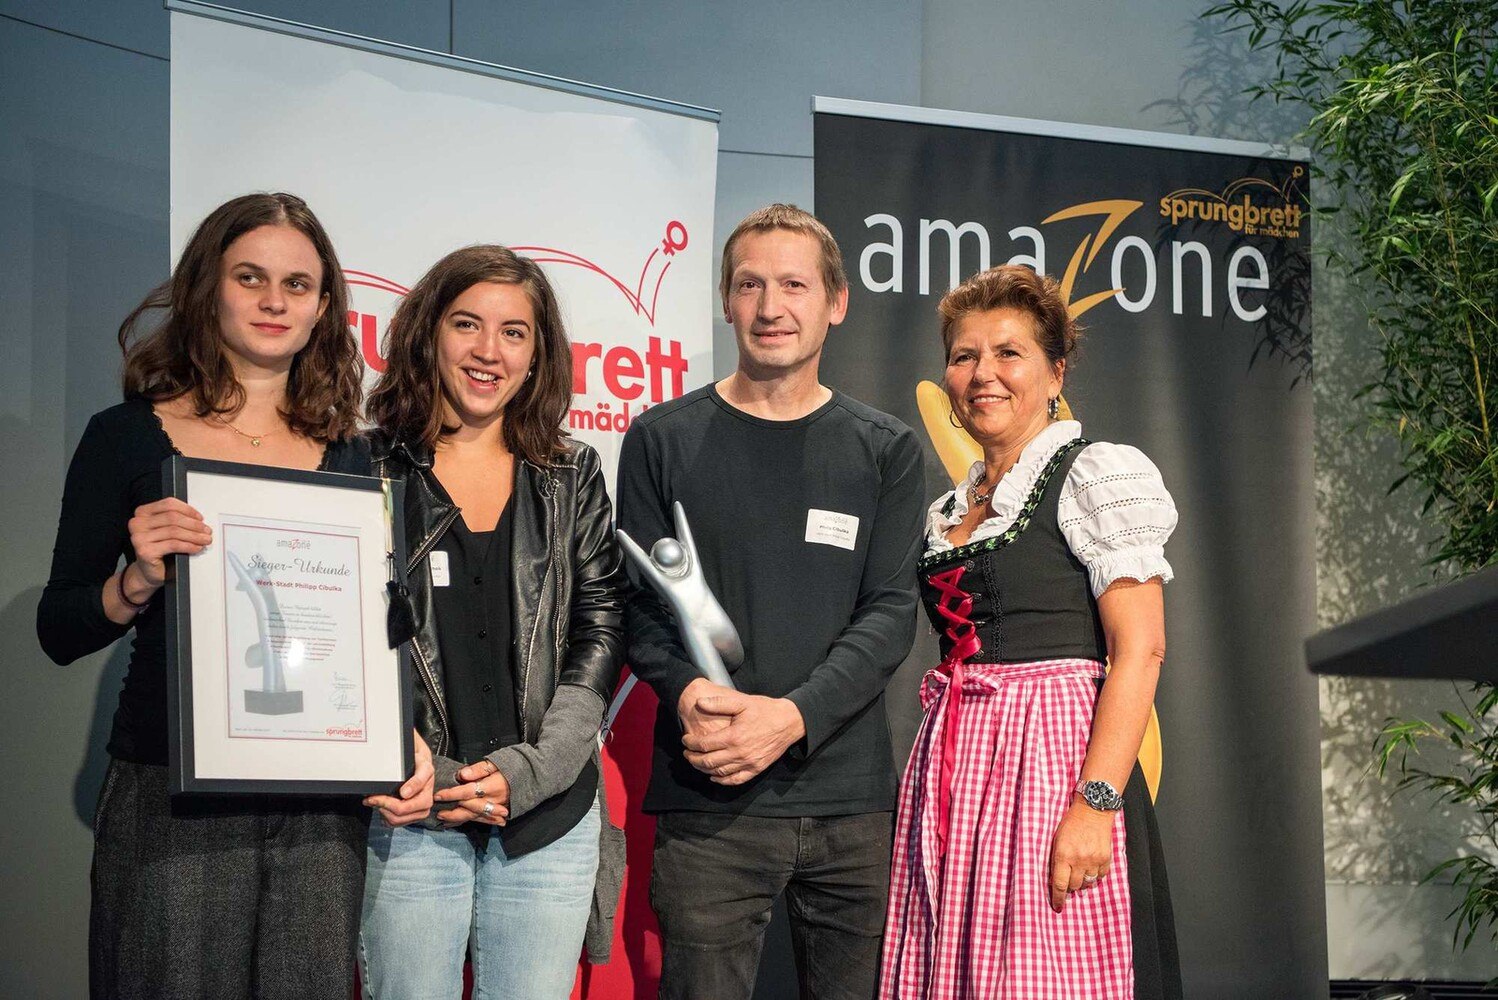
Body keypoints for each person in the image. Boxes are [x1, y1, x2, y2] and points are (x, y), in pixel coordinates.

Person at [36, 192, 435, 1000]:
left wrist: (405, 740)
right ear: (206, 287)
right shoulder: (126, 436)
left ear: (324, 307)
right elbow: (59, 626)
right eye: (250, 277)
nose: (272, 301)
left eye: (297, 285)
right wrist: (136, 581)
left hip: (323, 807)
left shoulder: (357, 456)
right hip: (171, 790)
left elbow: (381, 630)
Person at [617, 203, 926, 999]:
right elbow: (640, 606)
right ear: (725, 299)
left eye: (793, 284)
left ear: (836, 302)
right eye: (750, 284)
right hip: (709, 799)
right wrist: (688, 691)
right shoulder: (661, 439)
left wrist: (789, 718)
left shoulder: (884, 449)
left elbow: (890, 613)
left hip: (849, 806)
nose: (770, 307)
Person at [879, 264, 1183, 999]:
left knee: (1046, 973)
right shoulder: (950, 511)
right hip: (959, 768)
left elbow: (1139, 648)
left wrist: (1095, 803)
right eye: (964, 356)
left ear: (1055, 372)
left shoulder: (1093, 475)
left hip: (1051, 763)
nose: (984, 373)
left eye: (1009, 353)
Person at [358, 245, 627, 999]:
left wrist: (534, 771)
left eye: (514, 332)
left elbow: (602, 624)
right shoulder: (364, 465)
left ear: (538, 354)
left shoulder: (572, 473)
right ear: (427, 333)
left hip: (547, 815)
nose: (489, 351)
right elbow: (339, 635)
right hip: (411, 814)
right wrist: (409, 763)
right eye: (467, 324)